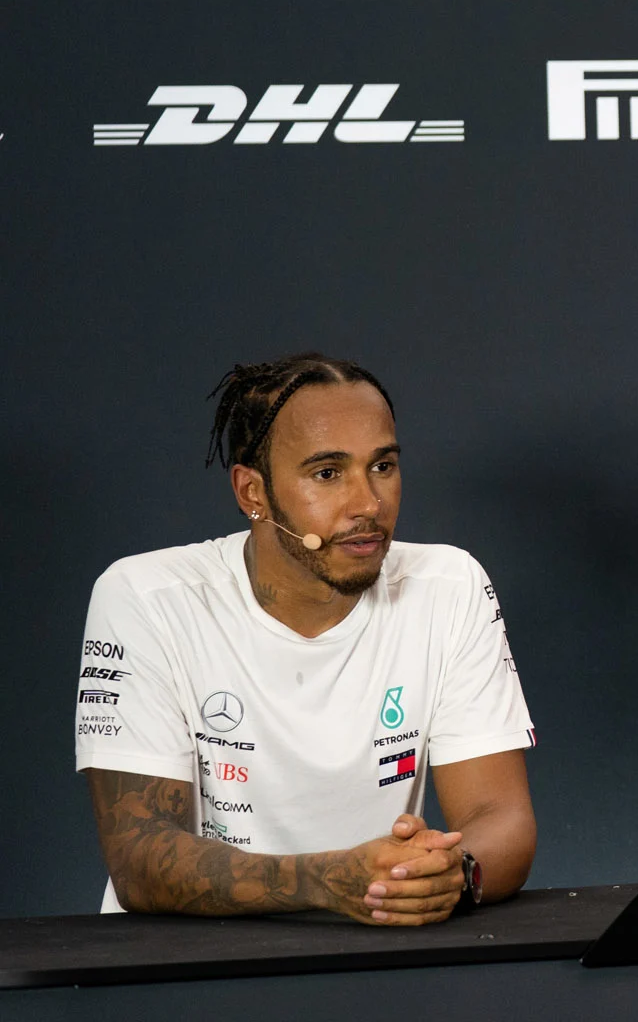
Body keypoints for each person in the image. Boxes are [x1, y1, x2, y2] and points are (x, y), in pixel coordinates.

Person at [74, 353, 537, 924]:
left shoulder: (449, 586)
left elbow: (501, 817)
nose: (367, 504)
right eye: (327, 473)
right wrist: (327, 881)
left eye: (383, 466)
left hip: (367, 954)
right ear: (253, 492)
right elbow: (139, 858)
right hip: (179, 966)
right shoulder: (146, 598)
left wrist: (451, 873)